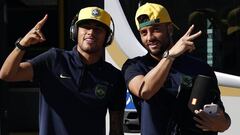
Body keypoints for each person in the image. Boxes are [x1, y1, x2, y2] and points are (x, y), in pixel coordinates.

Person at [0, 7, 126, 135]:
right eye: (85, 27)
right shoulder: (54, 59)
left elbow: (116, 129)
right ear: (75, 31)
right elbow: (7, 74)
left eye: (98, 29)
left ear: (107, 37)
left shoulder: (114, 76)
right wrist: (23, 44)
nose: (91, 32)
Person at [122, 3, 231, 135]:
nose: (149, 37)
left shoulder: (200, 68)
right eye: (144, 33)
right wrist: (170, 56)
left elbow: (222, 116)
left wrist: (221, 124)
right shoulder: (135, 66)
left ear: (170, 29)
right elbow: (145, 91)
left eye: (156, 29)